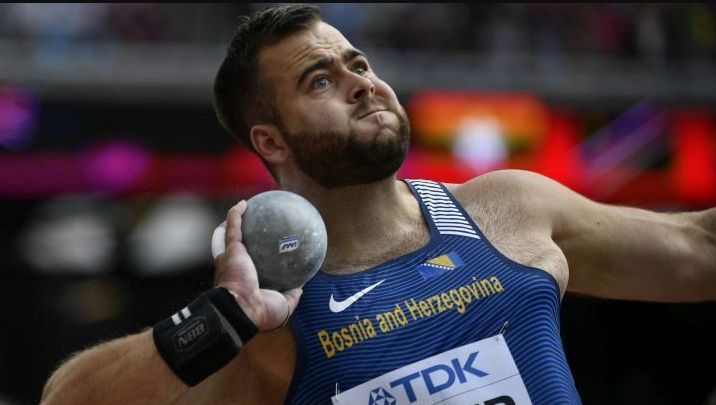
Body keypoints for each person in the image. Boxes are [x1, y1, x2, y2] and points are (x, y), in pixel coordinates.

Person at [40, 5, 715, 405]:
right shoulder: (271, 317)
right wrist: (224, 317)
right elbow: (68, 398)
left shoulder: (507, 210)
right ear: (271, 140)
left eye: (358, 64)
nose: (361, 84)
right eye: (320, 81)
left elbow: (699, 250)